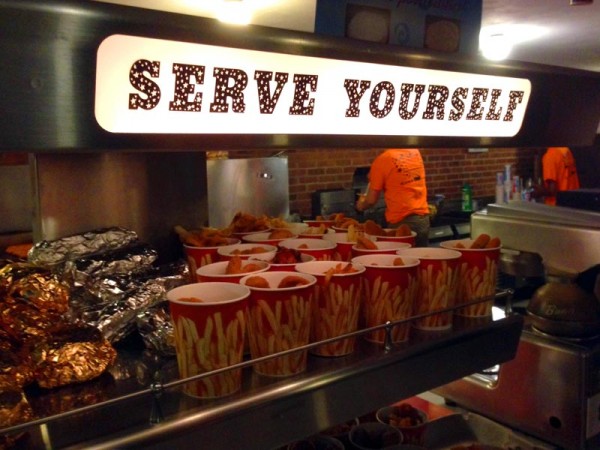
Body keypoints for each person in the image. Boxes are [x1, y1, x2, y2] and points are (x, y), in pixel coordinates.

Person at [355, 148, 430, 247]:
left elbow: (371, 200)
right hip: (422, 220)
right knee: (419, 259)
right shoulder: (414, 151)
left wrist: (360, 205)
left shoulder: (382, 160)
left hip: (401, 223)